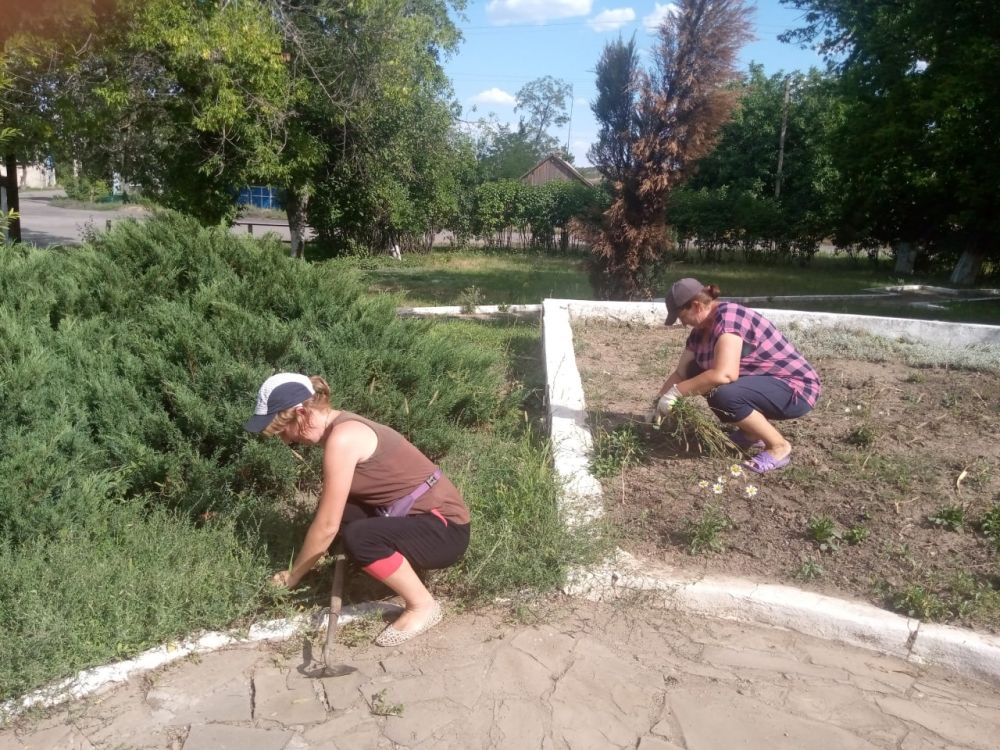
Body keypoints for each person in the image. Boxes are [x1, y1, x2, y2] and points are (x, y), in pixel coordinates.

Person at [245, 373, 471, 646]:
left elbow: (327, 525)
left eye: (282, 430)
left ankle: (422, 605)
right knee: (343, 511)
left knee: (359, 537)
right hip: (419, 519)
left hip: (446, 532)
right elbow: (332, 514)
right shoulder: (341, 428)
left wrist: (293, 576)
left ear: (302, 413)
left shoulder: (344, 438)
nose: (285, 440)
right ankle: (379, 569)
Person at [653, 278, 821, 473]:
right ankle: (751, 434)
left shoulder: (729, 317)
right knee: (695, 372)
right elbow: (682, 373)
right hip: (764, 384)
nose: (683, 324)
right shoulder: (699, 333)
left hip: (795, 389)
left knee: (723, 393)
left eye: (682, 317)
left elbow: (725, 375)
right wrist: (657, 402)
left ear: (697, 306)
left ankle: (778, 447)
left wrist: (675, 394)